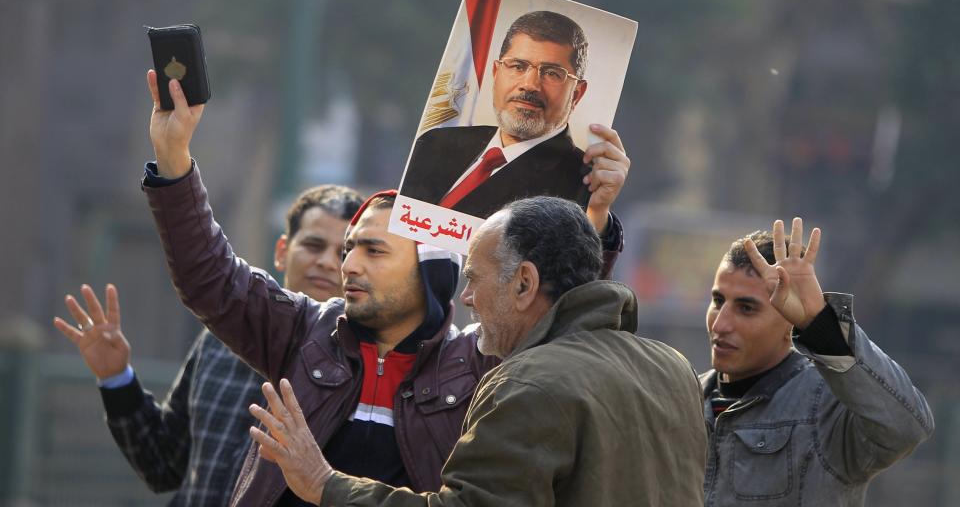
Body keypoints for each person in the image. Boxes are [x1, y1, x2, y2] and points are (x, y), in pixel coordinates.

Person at [139, 70, 628, 506]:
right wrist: (173, 156)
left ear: (432, 273)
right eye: (349, 247)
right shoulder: (304, 333)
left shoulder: (485, 364)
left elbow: (556, 311)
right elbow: (210, 278)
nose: (346, 264)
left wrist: (596, 217)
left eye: (374, 251)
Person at [248, 196, 708, 507]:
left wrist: (322, 483)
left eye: (474, 279)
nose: (466, 299)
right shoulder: (673, 369)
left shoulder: (530, 382)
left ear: (524, 283)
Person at [53, 183, 362, 506]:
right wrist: (116, 378)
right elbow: (163, 465)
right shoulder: (218, 341)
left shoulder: (361, 370)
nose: (327, 262)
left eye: (342, 253)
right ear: (282, 251)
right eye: (314, 245)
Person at [701, 218, 934, 506]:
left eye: (746, 308)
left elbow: (907, 429)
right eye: (718, 300)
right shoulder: (680, 396)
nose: (721, 324)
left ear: (790, 320)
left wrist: (818, 321)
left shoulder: (826, 405)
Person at [401, 10, 605, 219]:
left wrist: (600, 216)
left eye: (552, 73)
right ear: (496, 73)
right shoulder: (436, 142)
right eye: (518, 66)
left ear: (577, 94)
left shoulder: (584, 182)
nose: (530, 85)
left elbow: (590, 245)